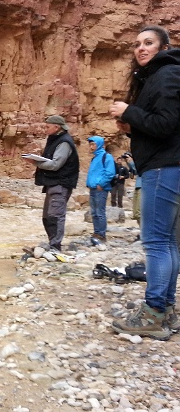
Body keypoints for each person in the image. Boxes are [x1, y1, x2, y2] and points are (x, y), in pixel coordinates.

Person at [109, 24, 180, 340]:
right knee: (169, 242)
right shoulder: (161, 76)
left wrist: (128, 111)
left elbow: (164, 125)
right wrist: (131, 126)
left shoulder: (166, 75)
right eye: (137, 44)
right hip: (168, 166)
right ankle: (165, 310)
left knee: (155, 242)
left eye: (149, 43)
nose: (141, 48)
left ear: (164, 47)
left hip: (163, 169)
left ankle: (153, 312)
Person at [24, 115, 79, 252]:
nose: (45, 129)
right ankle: (52, 244)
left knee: (55, 216)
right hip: (54, 183)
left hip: (60, 183)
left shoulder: (64, 142)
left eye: (47, 126)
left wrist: (35, 162)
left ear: (57, 127)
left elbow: (55, 164)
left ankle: (55, 246)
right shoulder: (56, 139)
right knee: (48, 216)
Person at [86, 136, 116, 243]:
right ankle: (96, 232)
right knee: (94, 212)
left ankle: (102, 234)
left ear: (99, 144)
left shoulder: (106, 157)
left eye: (93, 144)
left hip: (101, 189)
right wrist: (88, 183)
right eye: (90, 144)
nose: (91, 147)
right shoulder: (95, 158)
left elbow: (110, 173)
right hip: (93, 188)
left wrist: (101, 184)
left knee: (100, 212)